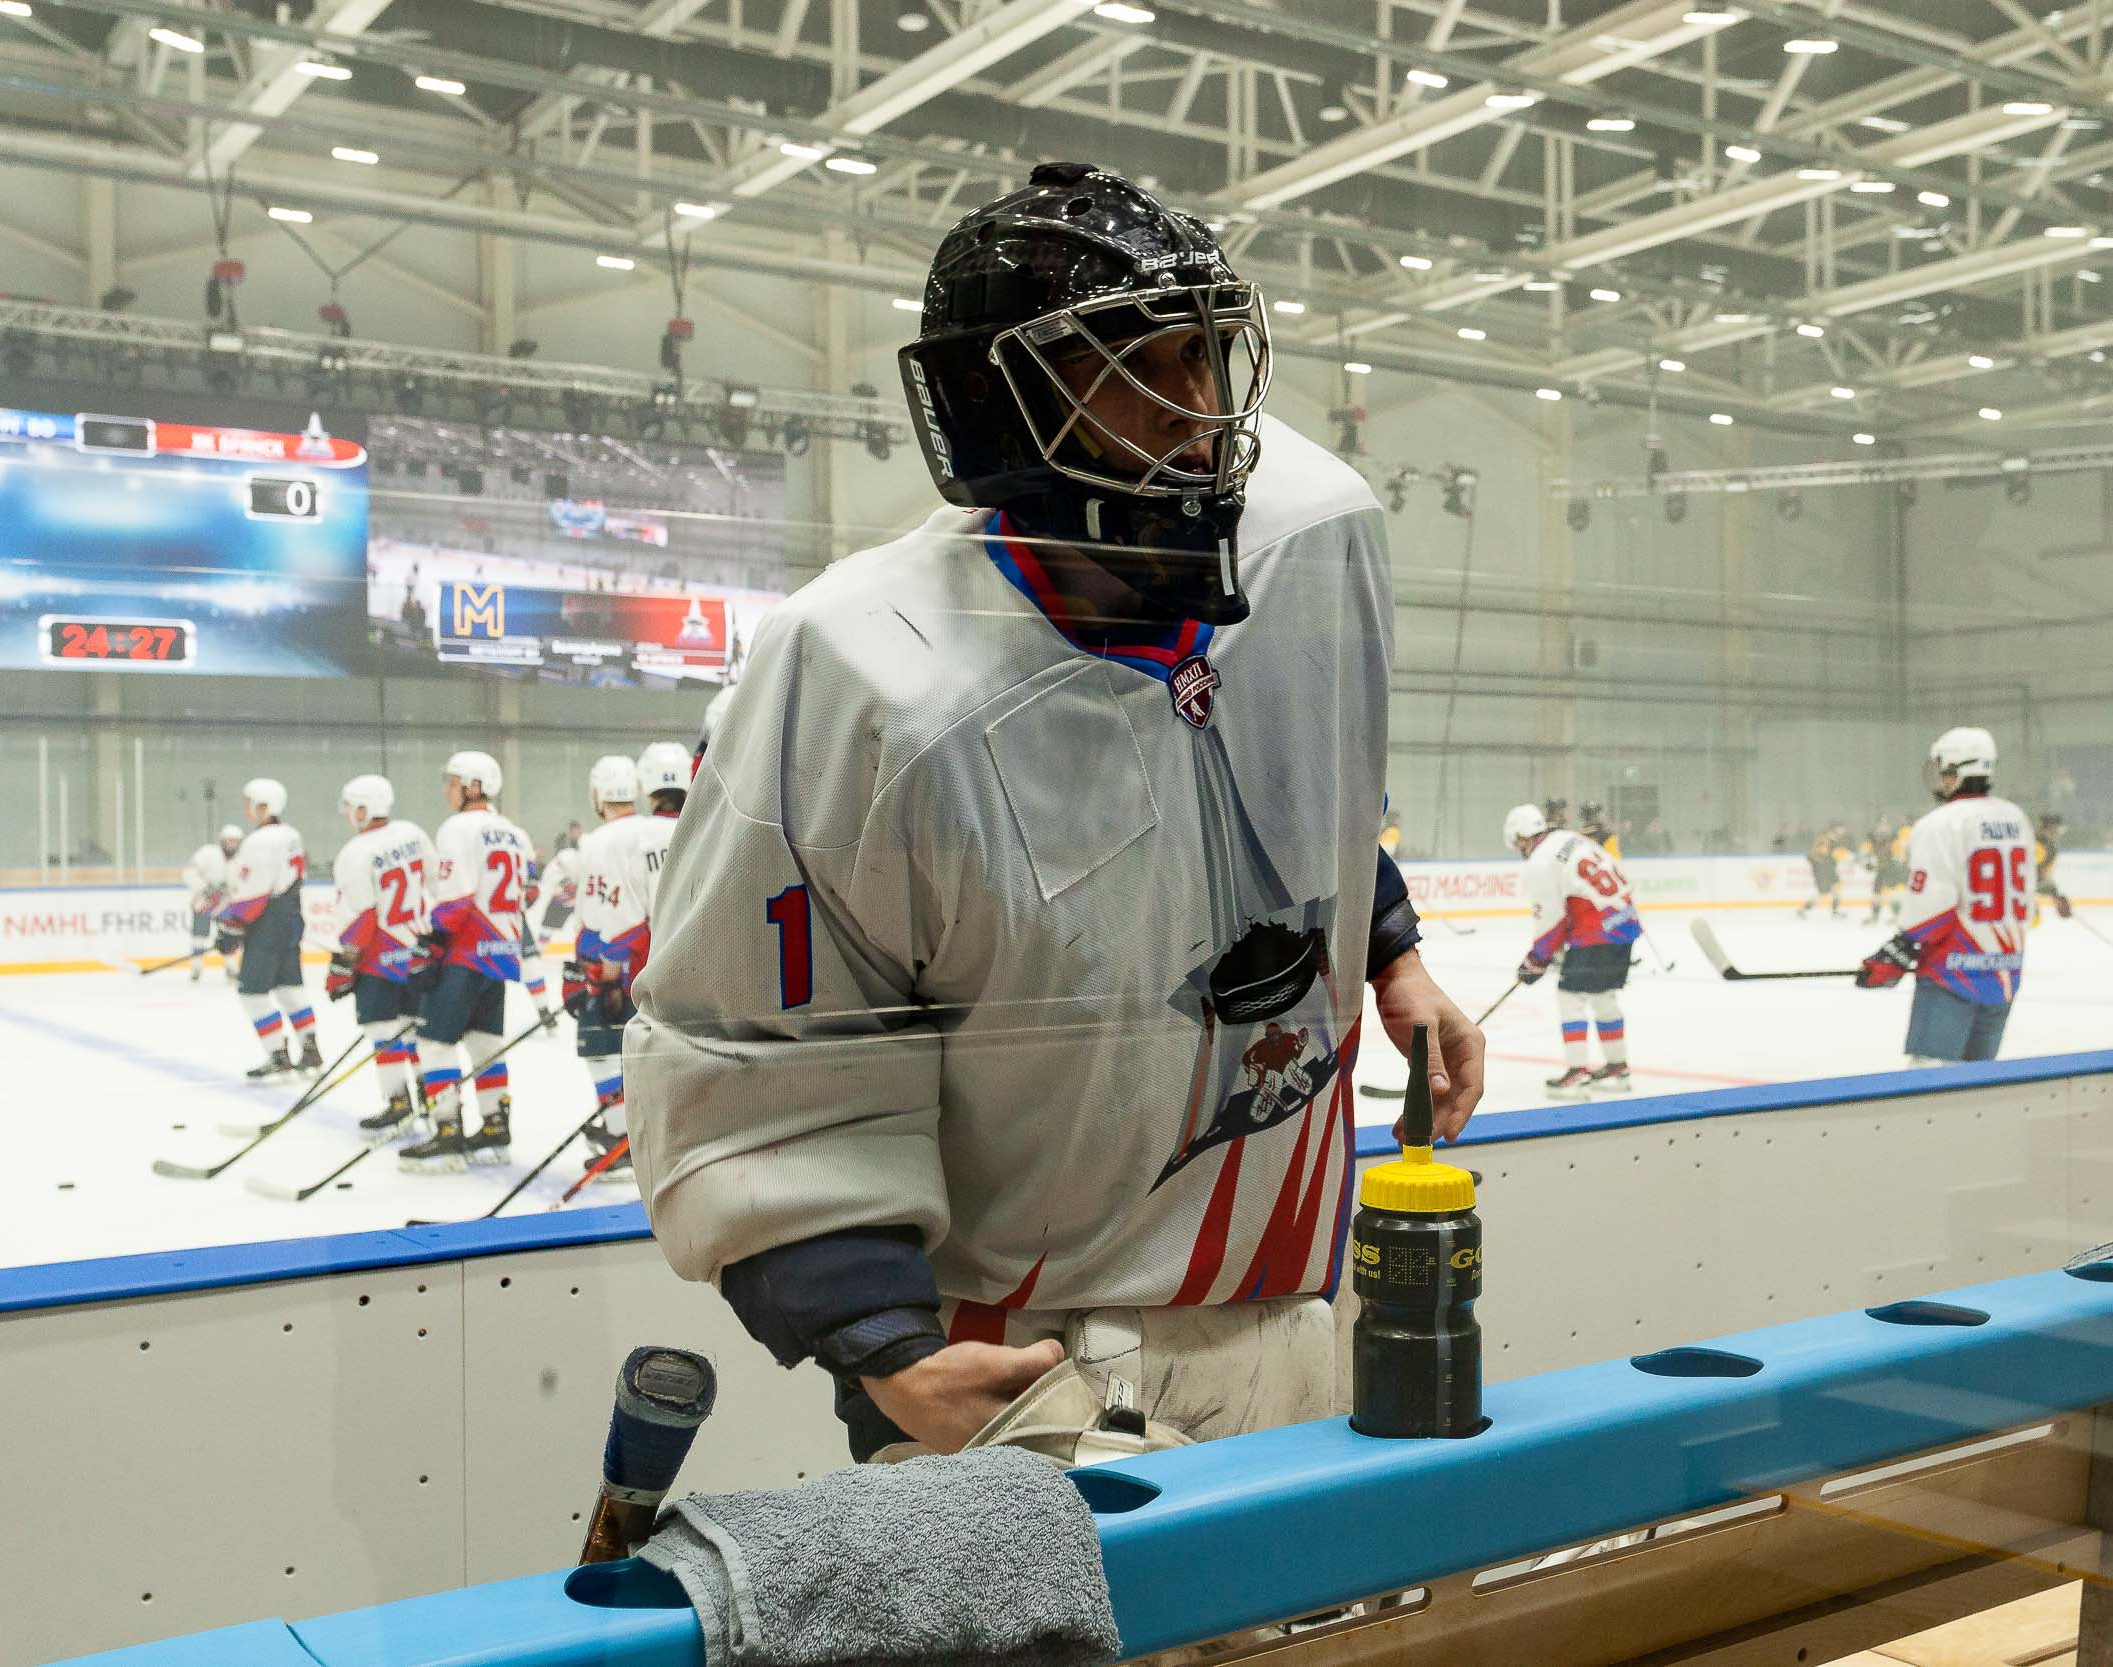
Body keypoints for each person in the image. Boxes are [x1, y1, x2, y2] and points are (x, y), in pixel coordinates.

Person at [627, 162, 1483, 1465]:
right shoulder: (858, 675)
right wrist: (885, 1344)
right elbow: (755, 1054)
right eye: (1138, 371)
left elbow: (1296, 780)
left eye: (1204, 356)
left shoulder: (1315, 533)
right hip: (1034, 1359)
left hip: (1312, 1303)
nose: (1200, 414)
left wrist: (1392, 947)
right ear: (995, 408)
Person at [1857, 728, 2035, 1065]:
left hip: (1952, 975)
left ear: (1957, 770)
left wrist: (1898, 949)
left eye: (1944, 770)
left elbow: (1932, 910)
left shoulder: (1939, 824)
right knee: (1978, 1086)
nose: (1940, 777)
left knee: (1929, 1085)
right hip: (2004, 973)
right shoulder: (2017, 819)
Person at [402, 751, 535, 1173]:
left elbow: (456, 898)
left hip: (464, 952)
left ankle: (447, 1132)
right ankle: (495, 1127)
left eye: (454, 781)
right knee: (484, 1043)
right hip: (499, 955)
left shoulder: (458, 828)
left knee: (434, 1043)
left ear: (474, 786)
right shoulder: (513, 832)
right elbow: (524, 891)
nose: (448, 789)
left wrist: (431, 941)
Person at [565, 745, 688, 1184]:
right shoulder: (703, 828)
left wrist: (604, 979)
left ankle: (623, 1132)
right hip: (694, 964)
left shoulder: (624, 837)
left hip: (640, 969)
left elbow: (619, 917)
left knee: (604, 1045)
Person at [1506, 803, 1641, 1096]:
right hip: (1625, 922)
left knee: (1570, 996)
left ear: (1521, 836)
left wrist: (1535, 961)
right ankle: (1618, 1068)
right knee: (1603, 995)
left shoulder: (1539, 862)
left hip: (1596, 931)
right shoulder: (1570, 838)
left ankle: (1577, 1072)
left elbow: (1552, 924)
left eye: (1517, 843)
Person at [328, 775, 435, 1141]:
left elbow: (361, 917)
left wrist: (344, 965)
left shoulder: (354, 852)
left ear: (363, 809)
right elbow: (436, 885)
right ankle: (429, 1098)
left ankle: (399, 1104)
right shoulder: (414, 834)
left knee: (382, 1032)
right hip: (419, 951)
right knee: (414, 1030)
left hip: (380, 957)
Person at [216, 779, 319, 1078]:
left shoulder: (260, 841)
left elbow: (253, 893)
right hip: (290, 916)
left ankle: (278, 1054)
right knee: (290, 989)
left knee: (251, 992)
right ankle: (311, 1049)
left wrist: (233, 926)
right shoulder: (290, 835)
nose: (247, 807)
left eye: (251, 802)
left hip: (267, 922)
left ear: (264, 806)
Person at [181, 825, 242, 984]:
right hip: (204, 902)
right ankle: (196, 967)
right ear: (222, 841)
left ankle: (231, 968)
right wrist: (204, 889)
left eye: (236, 842)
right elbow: (189, 873)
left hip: (225, 904)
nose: (233, 845)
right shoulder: (208, 853)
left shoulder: (241, 859)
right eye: (230, 841)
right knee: (199, 935)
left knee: (228, 935)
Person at [1795, 820, 1853, 919]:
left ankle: (1835, 912)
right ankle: (1803, 910)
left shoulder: (1835, 839)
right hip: (1821, 868)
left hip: (1829, 868)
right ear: (1834, 829)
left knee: (1837, 887)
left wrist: (1844, 855)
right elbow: (1822, 853)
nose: (1843, 831)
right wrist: (1838, 854)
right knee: (1823, 892)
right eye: (1841, 828)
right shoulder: (1825, 838)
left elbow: (1838, 853)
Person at [1862, 815, 1911, 925]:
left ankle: (1897, 916)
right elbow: (1866, 853)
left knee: (1894, 893)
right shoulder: (1872, 839)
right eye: (1881, 825)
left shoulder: (1894, 838)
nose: (1883, 827)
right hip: (1881, 869)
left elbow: (1899, 853)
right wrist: (1868, 862)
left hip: (1893, 869)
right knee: (1877, 892)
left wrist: (1899, 860)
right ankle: (1875, 915)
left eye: (1885, 825)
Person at [2031, 813, 2073, 928]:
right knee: (2033, 919)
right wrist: (2055, 895)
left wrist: (2056, 896)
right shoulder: (2039, 846)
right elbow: (2029, 878)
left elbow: (2039, 877)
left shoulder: (2047, 846)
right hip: (2016, 896)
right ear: (2049, 828)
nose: (2057, 833)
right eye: (2057, 829)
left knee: (2034, 920)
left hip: (2021, 895)